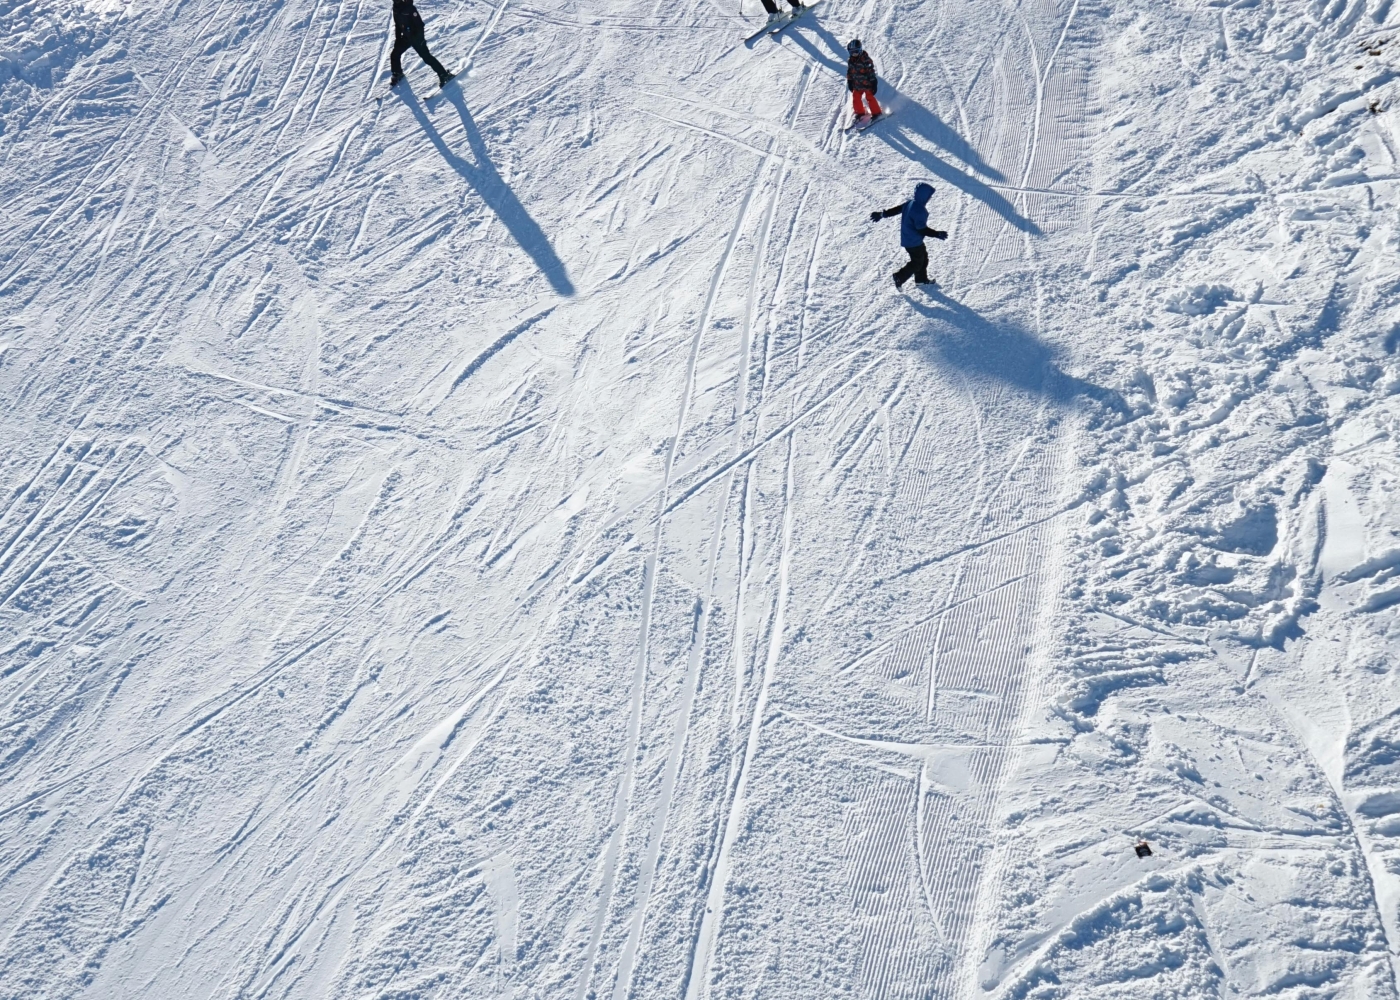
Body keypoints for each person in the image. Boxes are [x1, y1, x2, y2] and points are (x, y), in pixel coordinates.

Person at [870, 183, 946, 288]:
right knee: (917, 262)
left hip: (909, 238)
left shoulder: (911, 203)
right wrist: (936, 234)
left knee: (923, 258)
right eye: (929, 196)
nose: (930, 198)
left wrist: (882, 214)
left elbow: (897, 209)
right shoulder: (920, 211)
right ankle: (899, 276)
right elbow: (921, 229)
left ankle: (921, 280)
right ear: (924, 196)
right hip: (913, 242)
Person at [390, 0, 454, 89]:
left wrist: (420, 39)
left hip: (416, 38)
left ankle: (444, 75)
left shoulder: (410, 8)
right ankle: (397, 73)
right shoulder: (395, 8)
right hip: (405, 37)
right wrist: (398, 39)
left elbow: (420, 25)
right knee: (395, 54)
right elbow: (398, 25)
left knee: (426, 57)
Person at [846, 39, 881, 123]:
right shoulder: (850, 60)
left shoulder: (866, 60)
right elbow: (849, 71)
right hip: (857, 84)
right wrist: (850, 81)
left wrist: (873, 82)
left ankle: (876, 113)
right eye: (852, 52)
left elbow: (871, 71)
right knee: (856, 98)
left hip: (867, 84)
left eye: (856, 52)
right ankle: (860, 112)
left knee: (870, 97)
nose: (854, 54)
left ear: (860, 50)